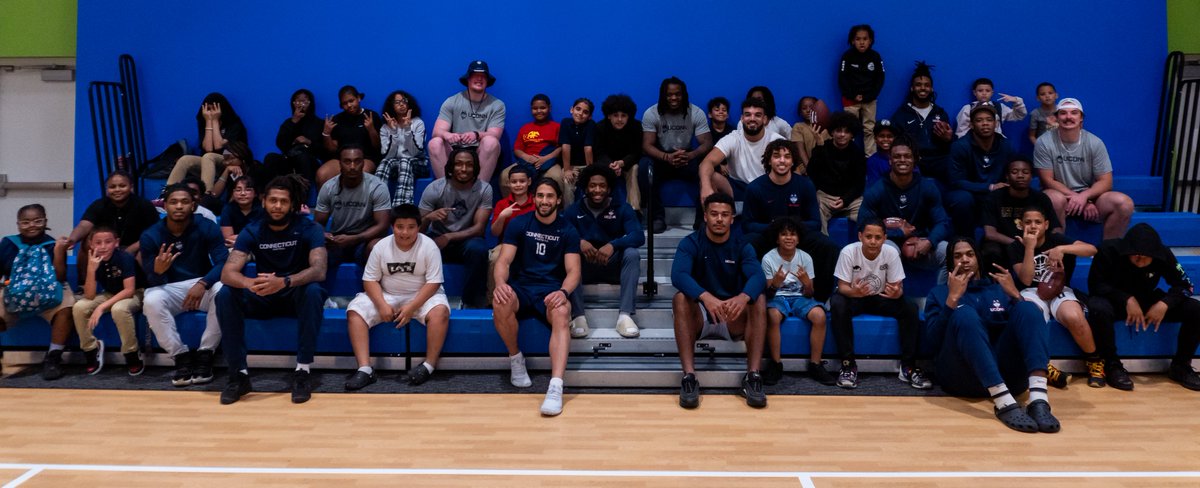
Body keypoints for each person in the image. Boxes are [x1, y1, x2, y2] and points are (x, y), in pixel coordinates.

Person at [924, 238, 1060, 433]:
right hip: (962, 377)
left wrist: (1015, 296)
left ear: (978, 258)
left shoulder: (999, 289)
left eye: (970, 254)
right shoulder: (938, 293)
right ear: (950, 263)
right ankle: (1003, 403)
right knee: (964, 314)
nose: (964, 259)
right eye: (957, 256)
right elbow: (932, 342)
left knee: (1028, 307)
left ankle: (1039, 399)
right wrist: (951, 301)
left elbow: (1027, 329)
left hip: (1009, 377)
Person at [216, 175, 328, 405]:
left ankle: (303, 371)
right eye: (273, 200)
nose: (277, 206)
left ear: (292, 205)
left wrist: (285, 281)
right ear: (264, 201)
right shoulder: (252, 230)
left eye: (283, 201)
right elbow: (228, 273)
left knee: (314, 291)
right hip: (263, 293)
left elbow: (319, 270)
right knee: (225, 294)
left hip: (293, 293)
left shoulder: (310, 228)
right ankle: (239, 375)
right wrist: (250, 284)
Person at [493, 178, 581, 416]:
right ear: (535, 198)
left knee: (563, 312)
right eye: (540, 196)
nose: (544, 201)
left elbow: (574, 271)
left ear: (558, 200)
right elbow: (504, 260)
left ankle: (555, 386)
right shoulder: (519, 223)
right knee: (500, 301)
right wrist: (500, 283)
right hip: (521, 287)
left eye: (550, 196)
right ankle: (516, 360)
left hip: (550, 290)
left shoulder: (568, 230)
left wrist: (563, 292)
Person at [671, 193, 768, 409]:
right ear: (705, 216)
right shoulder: (691, 243)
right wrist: (705, 297)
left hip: (732, 314)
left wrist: (743, 297)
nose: (719, 219)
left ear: (732, 218)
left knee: (758, 298)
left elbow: (758, 277)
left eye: (725, 215)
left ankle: (752, 376)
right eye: (714, 214)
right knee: (680, 299)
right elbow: (678, 275)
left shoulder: (743, 245)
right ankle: (689, 377)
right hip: (702, 314)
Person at [344, 204, 451, 390]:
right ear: (392, 227)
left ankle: (429, 366)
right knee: (354, 311)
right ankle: (365, 369)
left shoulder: (429, 246)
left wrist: (411, 307)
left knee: (440, 312)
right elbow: (369, 280)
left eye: (411, 227)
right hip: (388, 294)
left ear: (418, 227)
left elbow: (434, 283)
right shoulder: (381, 246)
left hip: (422, 295)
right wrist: (382, 304)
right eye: (400, 227)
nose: (405, 232)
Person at [1086, 223, 1200, 391]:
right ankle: (1112, 365)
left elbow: (1186, 285)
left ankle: (1181, 365)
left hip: (1146, 299)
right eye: (1136, 255)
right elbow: (1096, 285)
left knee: (1196, 309)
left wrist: (1165, 303)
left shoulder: (1163, 254)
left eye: (1146, 256)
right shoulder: (1108, 249)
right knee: (1098, 308)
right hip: (1112, 299)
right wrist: (1126, 299)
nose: (1140, 260)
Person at [139, 183, 228, 387]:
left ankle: (206, 353)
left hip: (201, 283)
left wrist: (204, 283)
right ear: (165, 206)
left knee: (223, 291)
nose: (179, 206)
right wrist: (157, 271)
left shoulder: (207, 226)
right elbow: (150, 279)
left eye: (184, 202)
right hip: (170, 287)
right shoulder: (151, 235)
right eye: (173, 202)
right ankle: (181, 357)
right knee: (151, 300)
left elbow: (224, 262)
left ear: (193, 206)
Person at [829, 218, 926, 390]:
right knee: (837, 303)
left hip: (880, 297)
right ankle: (848, 365)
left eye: (878, 237)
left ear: (884, 238)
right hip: (854, 297)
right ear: (860, 236)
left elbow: (898, 288)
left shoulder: (890, 252)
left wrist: (897, 293)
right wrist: (855, 292)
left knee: (910, 307)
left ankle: (908, 367)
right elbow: (842, 287)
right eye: (869, 237)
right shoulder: (848, 252)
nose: (873, 241)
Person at [741, 139, 840, 302]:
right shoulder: (755, 188)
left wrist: (792, 227)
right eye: (776, 156)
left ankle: (820, 298)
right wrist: (774, 228)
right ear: (769, 160)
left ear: (793, 160)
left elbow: (815, 223)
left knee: (829, 247)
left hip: (797, 235)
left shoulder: (806, 185)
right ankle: (754, 297)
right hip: (768, 236)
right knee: (745, 245)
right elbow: (747, 225)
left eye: (787, 156)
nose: (782, 160)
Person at [1009, 206, 1096, 388]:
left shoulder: (1057, 239)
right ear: (1020, 225)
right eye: (1028, 222)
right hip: (1031, 291)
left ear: (1046, 224)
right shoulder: (1016, 246)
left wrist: (1062, 249)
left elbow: (1092, 250)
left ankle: (1094, 361)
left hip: (1060, 289)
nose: (1033, 226)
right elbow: (1025, 279)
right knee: (1031, 318)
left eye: (1038, 222)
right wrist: (1030, 248)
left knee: (1074, 316)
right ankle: (1043, 367)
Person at [1033, 98, 1133, 240]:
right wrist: (1078, 199)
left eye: (1074, 113)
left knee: (1124, 203)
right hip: (1059, 195)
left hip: (1091, 197)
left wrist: (1085, 197)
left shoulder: (1095, 143)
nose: (1068, 117)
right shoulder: (1044, 142)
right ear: (1056, 118)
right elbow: (1047, 180)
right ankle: (1056, 250)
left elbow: (1106, 181)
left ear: (1081, 119)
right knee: (1053, 199)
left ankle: (1108, 253)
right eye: (1063, 113)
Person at [563, 165, 644, 338]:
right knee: (571, 256)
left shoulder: (623, 208)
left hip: (611, 264)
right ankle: (578, 316)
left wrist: (613, 245)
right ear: (585, 187)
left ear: (609, 188)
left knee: (632, 254)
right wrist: (579, 242)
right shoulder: (573, 210)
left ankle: (625, 316)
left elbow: (638, 236)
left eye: (602, 186)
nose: (597, 190)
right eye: (593, 185)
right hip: (584, 267)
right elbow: (559, 235)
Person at [859, 136, 951, 281]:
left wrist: (929, 242)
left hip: (920, 245)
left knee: (949, 251)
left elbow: (942, 222)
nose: (902, 160)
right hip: (889, 242)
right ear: (890, 160)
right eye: (897, 156)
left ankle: (940, 299)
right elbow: (863, 226)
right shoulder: (877, 190)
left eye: (907, 156)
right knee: (889, 250)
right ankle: (888, 299)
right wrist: (899, 233)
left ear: (915, 160)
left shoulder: (927, 187)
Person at [0, 204, 75, 380]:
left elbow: (60, 277)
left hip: (49, 292)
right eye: (25, 222)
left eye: (37, 221)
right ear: (18, 224)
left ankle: (53, 358)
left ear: (45, 222)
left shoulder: (53, 244)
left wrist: (58, 251)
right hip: (15, 293)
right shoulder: (8, 243)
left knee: (67, 306)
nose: (31, 225)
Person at [761, 217, 835, 386]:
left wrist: (807, 283)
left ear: (799, 238)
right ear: (777, 238)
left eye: (793, 234)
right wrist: (776, 283)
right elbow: (769, 294)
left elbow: (809, 294)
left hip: (800, 298)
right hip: (778, 297)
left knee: (820, 316)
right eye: (784, 234)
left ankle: (815, 364)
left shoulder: (805, 258)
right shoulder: (768, 258)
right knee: (772, 315)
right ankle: (775, 364)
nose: (789, 238)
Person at [419, 147, 492, 308]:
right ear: (451, 166)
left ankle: (470, 303)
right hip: (437, 238)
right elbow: (417, 229)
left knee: (478, 248)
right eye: (458, 164)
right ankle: (418, 298)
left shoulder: (484, 189)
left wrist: (449, 237)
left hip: (465, 240)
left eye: (469, 165)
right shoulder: (435, 188)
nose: (464, 169)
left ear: (475, 168)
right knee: (417, 245)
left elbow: (479, 228)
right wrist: (428, 218)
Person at [638, 77, 713, 234]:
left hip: (686, 157)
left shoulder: (696, 112)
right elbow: (646, 145)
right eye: (669, 95)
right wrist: (667, 157)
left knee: (706, 169)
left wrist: (691, 155)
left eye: (677, 94)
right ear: (663, 95)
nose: (673, 98)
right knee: (645, 167)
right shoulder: (652, 113)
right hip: (661, 158)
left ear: (684, 94)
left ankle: (702, 219)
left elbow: (707, 142)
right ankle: (657, 218)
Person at [72, 227, 144, 376]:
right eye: (98, 242)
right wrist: (91, 270)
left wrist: (101, 307)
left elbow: (129, 290)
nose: (103, 246)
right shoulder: (93, 260)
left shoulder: (125, 258)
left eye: (108, 242)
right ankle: (91, 350)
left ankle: (132, 353)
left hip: (136, 293)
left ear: (116, 243)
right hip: (110, 293)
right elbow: (90, 295)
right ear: (91, 244)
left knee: (119, 309)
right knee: (80, 307)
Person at [945, 103, 1019, 239]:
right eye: (979, 120)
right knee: (962, 199)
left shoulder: (1005, 145)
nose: (985, 124)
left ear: (996, 123)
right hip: (970, 193)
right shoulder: (960, 146)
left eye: (989, 120)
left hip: (997, 193)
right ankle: (965, 240)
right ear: (972, 125)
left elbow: (1014, 171)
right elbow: (956, 181)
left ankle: (1014, 241)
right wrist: (990, 187)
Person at [314, 145, 392, 271]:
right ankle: (316, 289)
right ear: (340, 164)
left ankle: (373, 287)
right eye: (347, 161)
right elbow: (318, 223)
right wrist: (325, 235)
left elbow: (383, 225)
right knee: (315, 247)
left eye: (357, 161)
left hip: (364, 239)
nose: (352, 166)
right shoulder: (328, 187)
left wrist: (356, 238)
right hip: (338, 239)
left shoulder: (377, 186)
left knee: (376, 246)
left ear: (363, 163)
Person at [429, 60, 506, 182]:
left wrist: (476, 135)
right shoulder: (451, 101)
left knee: (491, 142)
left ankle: (478, 192)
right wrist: (448, 135)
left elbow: (495, 134)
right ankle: (447, 191)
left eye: (483, 76)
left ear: (487, 81)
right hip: (455, 149)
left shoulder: (497, 105)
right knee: (435, 143)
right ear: (468, 79)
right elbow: (437, 131)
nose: (479, 79)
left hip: (478, 150)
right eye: (475, 75)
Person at [981, 158, 1061, 269]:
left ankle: (1060, 284)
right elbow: (990, 234)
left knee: (1062, 250)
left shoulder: (1041, 198)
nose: (1020, 175)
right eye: (1014, 172)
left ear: (1032, 177)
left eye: (1025, 172)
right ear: (1007, 176)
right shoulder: (994, 198)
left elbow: (1056, 228)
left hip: (1036, 243)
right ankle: (995, 285)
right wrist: (1020, 244)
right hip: (1005, 243)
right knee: (991, 251)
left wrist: (1041, 244)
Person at [699, 97, 784, 202]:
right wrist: (706, 188)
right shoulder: (733, 138)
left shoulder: (776, 140)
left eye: (757, 115)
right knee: (709, 176)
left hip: (766, 186)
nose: (752, 118)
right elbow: (707, 162)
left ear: (765, 119)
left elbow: (794, 169)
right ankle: (719, 215)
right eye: (748, 114)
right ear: (742, 118)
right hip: (738, 187)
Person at [67, 171, 159, 261]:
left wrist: (131, 249)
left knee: (145, 250)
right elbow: (84, 225)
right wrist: (73, 239)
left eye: (122, 186)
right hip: (106, 247)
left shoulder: (145, 206)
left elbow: (154, 233)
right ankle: (85, 276)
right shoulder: (99, 205)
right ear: (107, 189)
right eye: (112, 187)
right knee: (86, 243)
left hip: (135, 248)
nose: (117, 190)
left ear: (131, 187)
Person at [168, 92, 249, 190]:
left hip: (228, 159)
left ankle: (206, 195)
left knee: (208, 156)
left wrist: (215, 120)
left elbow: (219, 146)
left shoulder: (234, 124)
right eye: (208, 109)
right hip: (208, 162)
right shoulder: (204, 122)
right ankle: (167, 193)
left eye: (214, 108)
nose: (211, 112)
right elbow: (208, 148)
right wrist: (208, 122)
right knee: (185, 159)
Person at [891, 61, 954, 185]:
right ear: (912, 88)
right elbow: (896, 145)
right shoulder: (901, 115)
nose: (923, 88)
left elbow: (948, 145)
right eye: (918, 85)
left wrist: (948, 139)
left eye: (927, 85)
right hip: (915, 162)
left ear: (931, 88)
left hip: (939, 160)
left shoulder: (940, 113)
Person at [807, 112, 865, 235]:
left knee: (866, 215)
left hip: (850, 199)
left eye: (847, 131)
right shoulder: (823, 147)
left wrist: (845, 200)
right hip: (825, 196)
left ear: (852, 135)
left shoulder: (857, 153)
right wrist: (819, 146)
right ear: (832, 132)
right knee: (815, 214)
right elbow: (811, 173)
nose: (842, 134)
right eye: (838, 130)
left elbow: (859, 184)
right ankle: (824, 248)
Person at [487, 165, 536, 306]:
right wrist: (502, 216)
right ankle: (492, 300)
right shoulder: (502, 204)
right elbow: (494, 232)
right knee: (495, 258)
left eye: (522, 181)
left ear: (529, 182)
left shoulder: (536, 203)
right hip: (506, 245)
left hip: (531, 243)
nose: (518, 185)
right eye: (514, 182)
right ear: (508, 183)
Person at [316, 86, 382, 188]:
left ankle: (357, 204)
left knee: (360, 173)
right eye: (345, 103)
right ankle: (326, 204)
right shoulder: (337, 119)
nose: (349, 105)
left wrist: (371, 129)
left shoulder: (371, 115)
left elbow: (377, 146)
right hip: (341, 159)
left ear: (358, 98)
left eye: (351, 101)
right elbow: (332, 149)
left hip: (365, 158)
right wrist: (326, 133)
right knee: (322, 174)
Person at [499, 94, 563, 198]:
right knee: (504, 175)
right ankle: (513, 207)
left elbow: (560, 148)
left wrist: (544, 159)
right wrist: (528, 158)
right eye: (535, 108)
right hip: (526, 161)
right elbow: (517, 149)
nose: (539, 111)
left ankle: (557, 211)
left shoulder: (556, 126)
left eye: (542, 108)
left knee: (557, 177)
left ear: (549, 108)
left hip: (548, 161)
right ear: (531, 109)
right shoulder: (525, 128)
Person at [374, 90, 429, 207]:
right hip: (396, 163)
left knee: (405, 161)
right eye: (397, 102)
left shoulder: (418, 123)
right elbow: (387, 155)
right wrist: (393, 131)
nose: (401, 104)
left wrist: (408, 129)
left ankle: (401, 207)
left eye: (404, 101)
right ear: (391, 106)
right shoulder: (385, 127)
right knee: (384, 163)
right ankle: (377, 204)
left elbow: (415, 152)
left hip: (418, 164)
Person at [838, 24, 885, 155]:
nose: (862, 42)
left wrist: (870, 96)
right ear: (852, 41)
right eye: (858, 39)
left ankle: (870, 158)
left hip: (870, 100)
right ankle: (848, 156)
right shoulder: (847, 57)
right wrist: (852, 95)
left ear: (870, 40)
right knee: (848, 130)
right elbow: (842, 78)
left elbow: (880, 79)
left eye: (865, 39)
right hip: (850, 100)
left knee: (869, 129)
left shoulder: (875, 57)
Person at [264, 88, 325, 186]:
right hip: (290, 157)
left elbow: (323, 150)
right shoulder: (289, 122)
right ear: (293, 104)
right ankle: (269, 193)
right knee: (270, 157)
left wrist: (308, 142)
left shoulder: (319, 123)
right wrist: (294, 120)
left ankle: (304, 196)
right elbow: (280, 144)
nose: (301, 104)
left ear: (311, 103)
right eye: (298, 101)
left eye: (305, 101)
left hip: (309, 159)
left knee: (302, 158)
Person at [593, 94, 643, 211]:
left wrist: (622, 163)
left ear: (628, 116)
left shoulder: (636, 126)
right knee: (598, 170)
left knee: (635, 169)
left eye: (623, 116)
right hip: (607, 164)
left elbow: (637, 152)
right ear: (609, 116)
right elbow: (599, 152)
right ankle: (602, 211)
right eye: (616, 115)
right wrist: (610, 164)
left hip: (628, 164)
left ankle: (634, 211)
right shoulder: (600, 127)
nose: (620, 119)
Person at [207, 141, 269, 213]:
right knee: (207, 200)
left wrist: (239, 181)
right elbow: (214, 194)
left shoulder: (257, 169)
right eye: (225, 159)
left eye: (231, 158)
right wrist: (226, 172)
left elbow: (260, 197)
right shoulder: (229, 169)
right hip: (230, 205)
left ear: (243, 158)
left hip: (250, 206)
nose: (227, 162)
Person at [953, 78, 1027, 138]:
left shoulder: (999, 107)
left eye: (987, 91)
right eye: (980, 90)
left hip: (997, 146)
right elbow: (961, 132)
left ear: (992, 93)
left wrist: (1017, 102)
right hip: (974, 145)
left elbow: (1019, 116)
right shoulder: (967, 109)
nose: (984, 93)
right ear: (974, 92)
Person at [559, 97, 596, 196]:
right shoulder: (565, 122)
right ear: (572, 109)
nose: (580, 113)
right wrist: (567, 170)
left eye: (585, 112)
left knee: (591, 183)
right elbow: (565, 146)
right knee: (567, 182)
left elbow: (588, 149)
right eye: (578, 109)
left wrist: (590, 172)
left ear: (590, 116)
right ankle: (569, 210)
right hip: (571, 166)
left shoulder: (591, 125)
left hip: (587, 165)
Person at [219, 175, 265, 248]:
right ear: (233, 193)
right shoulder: (227, 209)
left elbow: (264, 236)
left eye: (248, 190)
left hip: (257, 247)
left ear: (255, 193)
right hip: (233, 246)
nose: (243, 193)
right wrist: (250, 238)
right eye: (238, 190)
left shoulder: (262, 210)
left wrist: (242, 242)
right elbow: (228, 238)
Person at [789, 96, 831, 172]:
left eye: (811, 107)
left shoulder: (827, 127)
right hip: (808, 169)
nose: (808, 110)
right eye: (804, 108)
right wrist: (810, 169)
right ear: (800, 112)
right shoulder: (798, 127)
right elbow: (800, 151)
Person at [864, 120, 897, 188]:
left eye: (889, 136)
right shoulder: (872, 161)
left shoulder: (903, 157)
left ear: (895, 138)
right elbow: (874, 187)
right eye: (881, 136)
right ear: (875, 139)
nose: (885, 139)